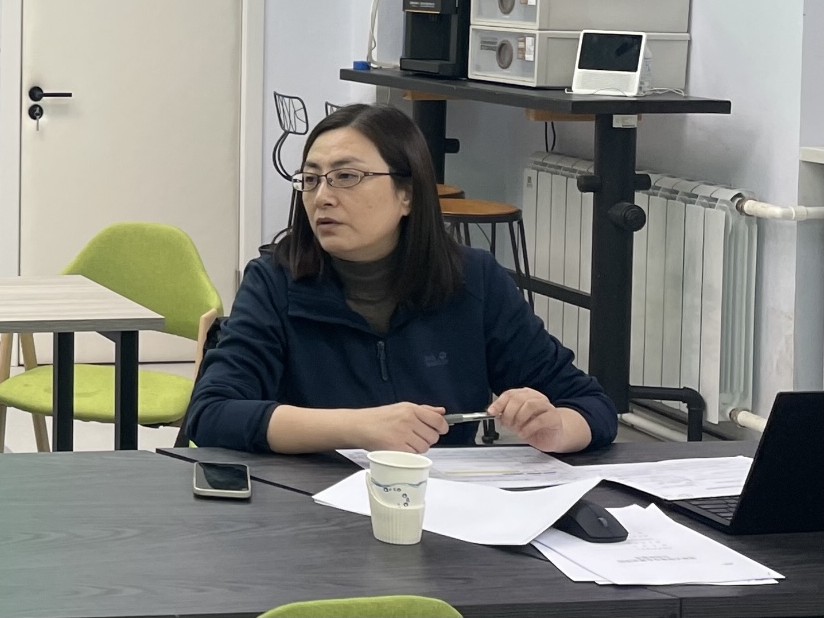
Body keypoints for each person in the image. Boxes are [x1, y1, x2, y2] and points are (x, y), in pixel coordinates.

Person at [185, 103, 616, 455]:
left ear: (407, 193)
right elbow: (213, 414)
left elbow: (591, 406)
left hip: (443, 504)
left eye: (346, 177)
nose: (322, 197)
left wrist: (555, 427)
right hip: (308, 503)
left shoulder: (473, 280)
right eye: (311, 180)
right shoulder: (274, 282)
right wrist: (359, 427)